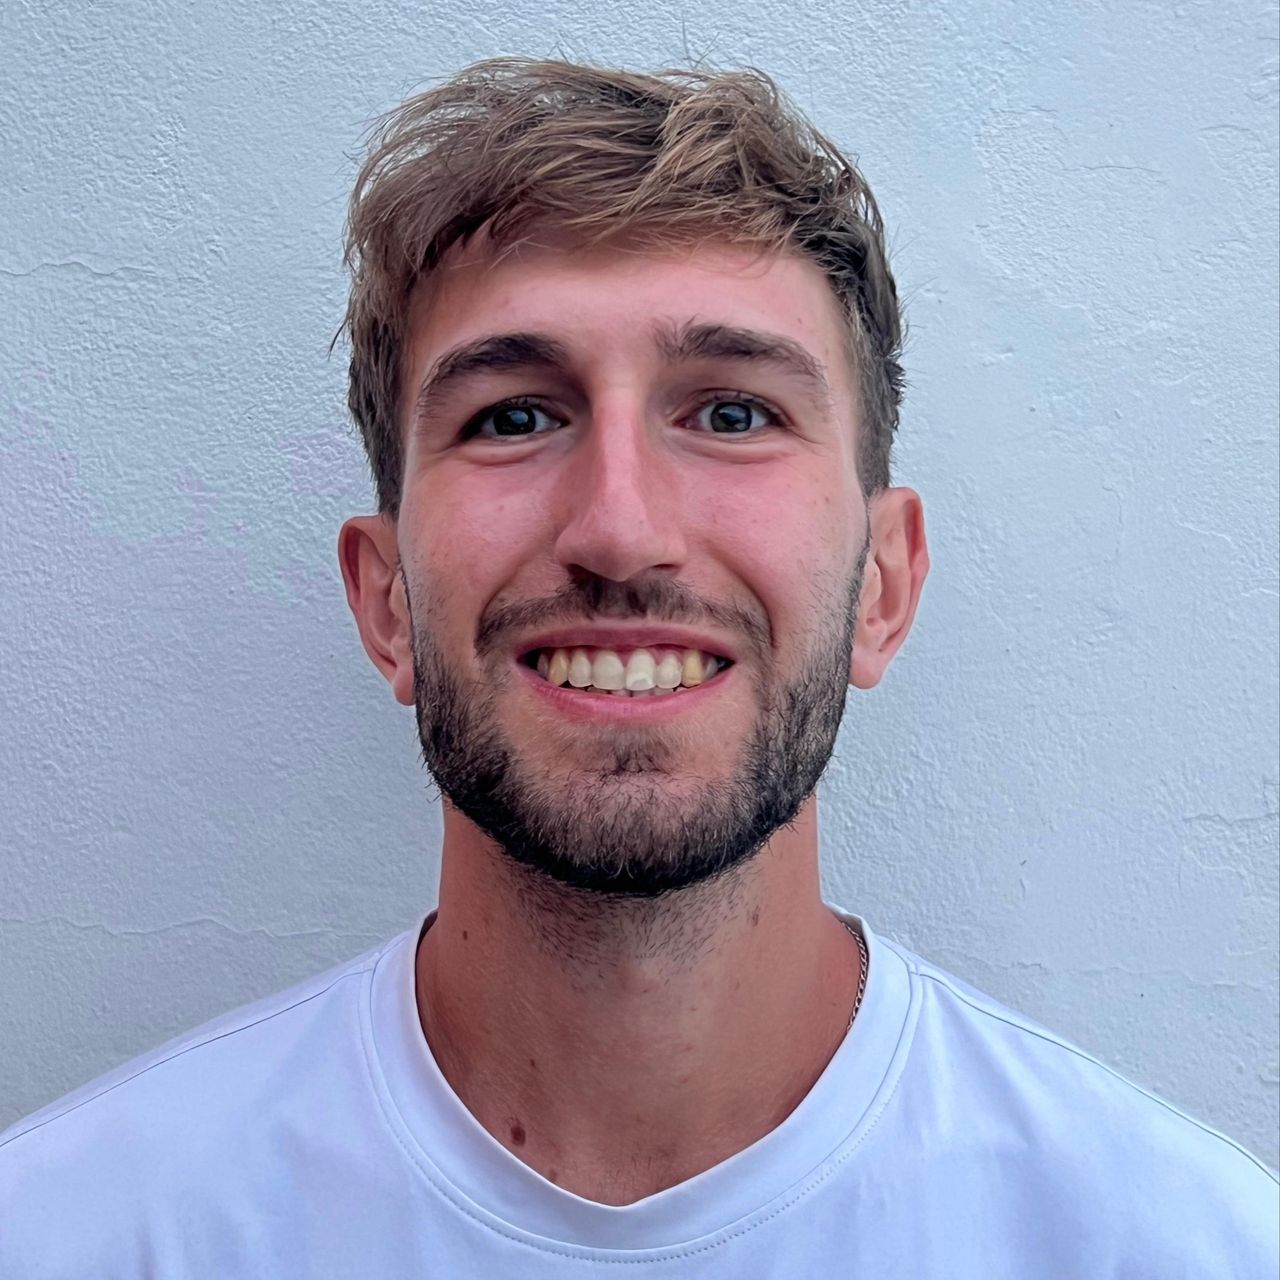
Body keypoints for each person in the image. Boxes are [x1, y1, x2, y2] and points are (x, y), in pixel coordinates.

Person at [1, 56, 1275, 1278]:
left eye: (732, 411)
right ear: (385, 603)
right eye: (513, 416)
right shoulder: (72, 1236)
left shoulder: (1180, 1247)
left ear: (881, 586)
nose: (618, 528)